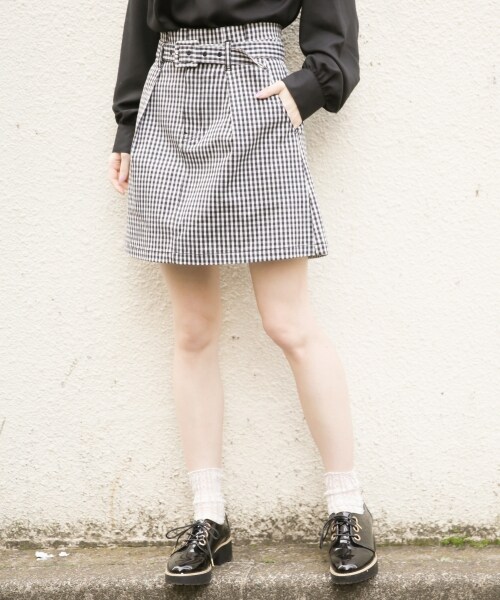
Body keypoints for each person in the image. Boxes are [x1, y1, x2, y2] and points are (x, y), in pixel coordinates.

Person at [108, 0, 378, 586]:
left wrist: (311, 85)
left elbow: (333, 21)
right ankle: (209, 517)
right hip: (170, 102)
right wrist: (128, 121)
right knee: (193, 328)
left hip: (256, 94)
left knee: (289, 323)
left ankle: (347, 505)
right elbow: (139, 17)